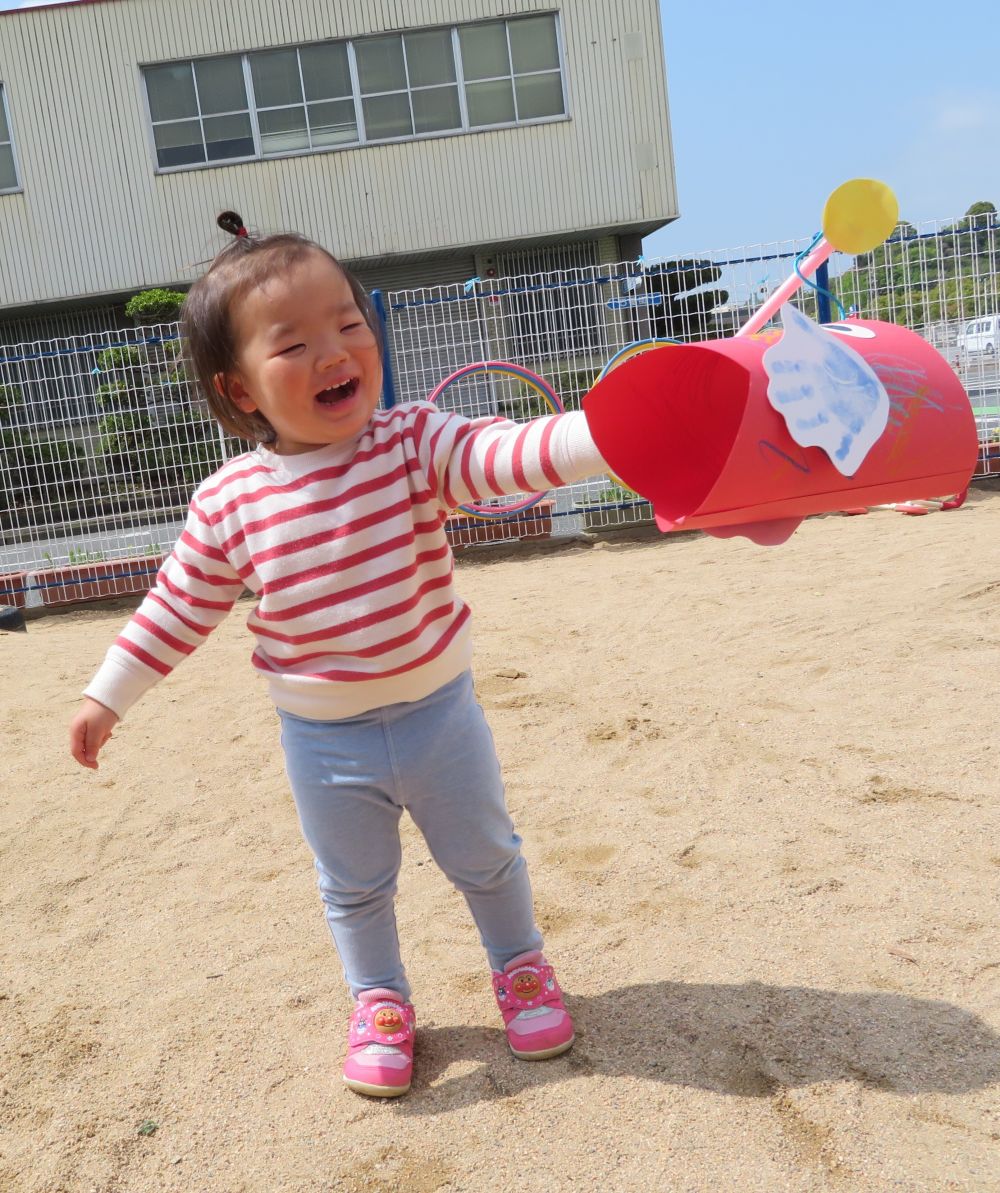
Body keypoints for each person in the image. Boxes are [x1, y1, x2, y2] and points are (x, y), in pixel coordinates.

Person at [69, 214, 612, 1099]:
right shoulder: (229, 503)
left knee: (485, 853)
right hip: (323, 741)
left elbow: (501, 456)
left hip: (440, 714)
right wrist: (107, 695)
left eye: (350, 323)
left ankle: (520, 968)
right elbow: (176, 606)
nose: (337, 350)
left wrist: (605, 434)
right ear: (239, 390)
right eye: (294, 342)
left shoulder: (411, 442)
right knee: (354, 884)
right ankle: (381, 1001)